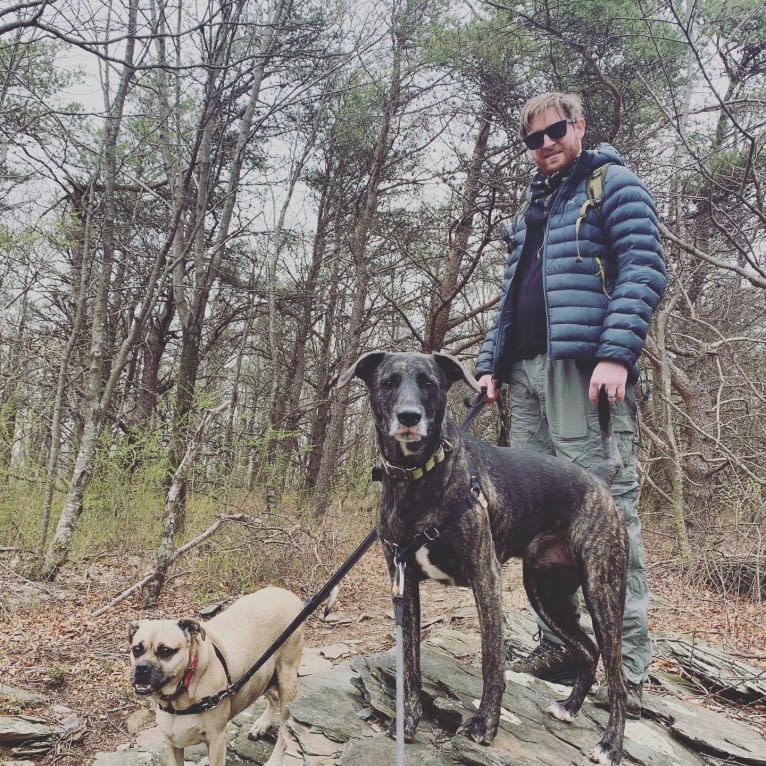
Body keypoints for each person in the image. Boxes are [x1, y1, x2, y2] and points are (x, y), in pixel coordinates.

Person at [475, 92, 666, 718]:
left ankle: (626, 667)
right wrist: (488, 362)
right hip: (523, 376)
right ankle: (562, 646)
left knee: (607, 518)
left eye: (556, 131)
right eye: (534, 139)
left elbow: (643, 267)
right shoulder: (537, 203)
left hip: (583, 373)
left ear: (580, 126)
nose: (546, 144)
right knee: (531, 524)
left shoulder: (614, 184)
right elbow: (509, 295)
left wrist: (616, 352)